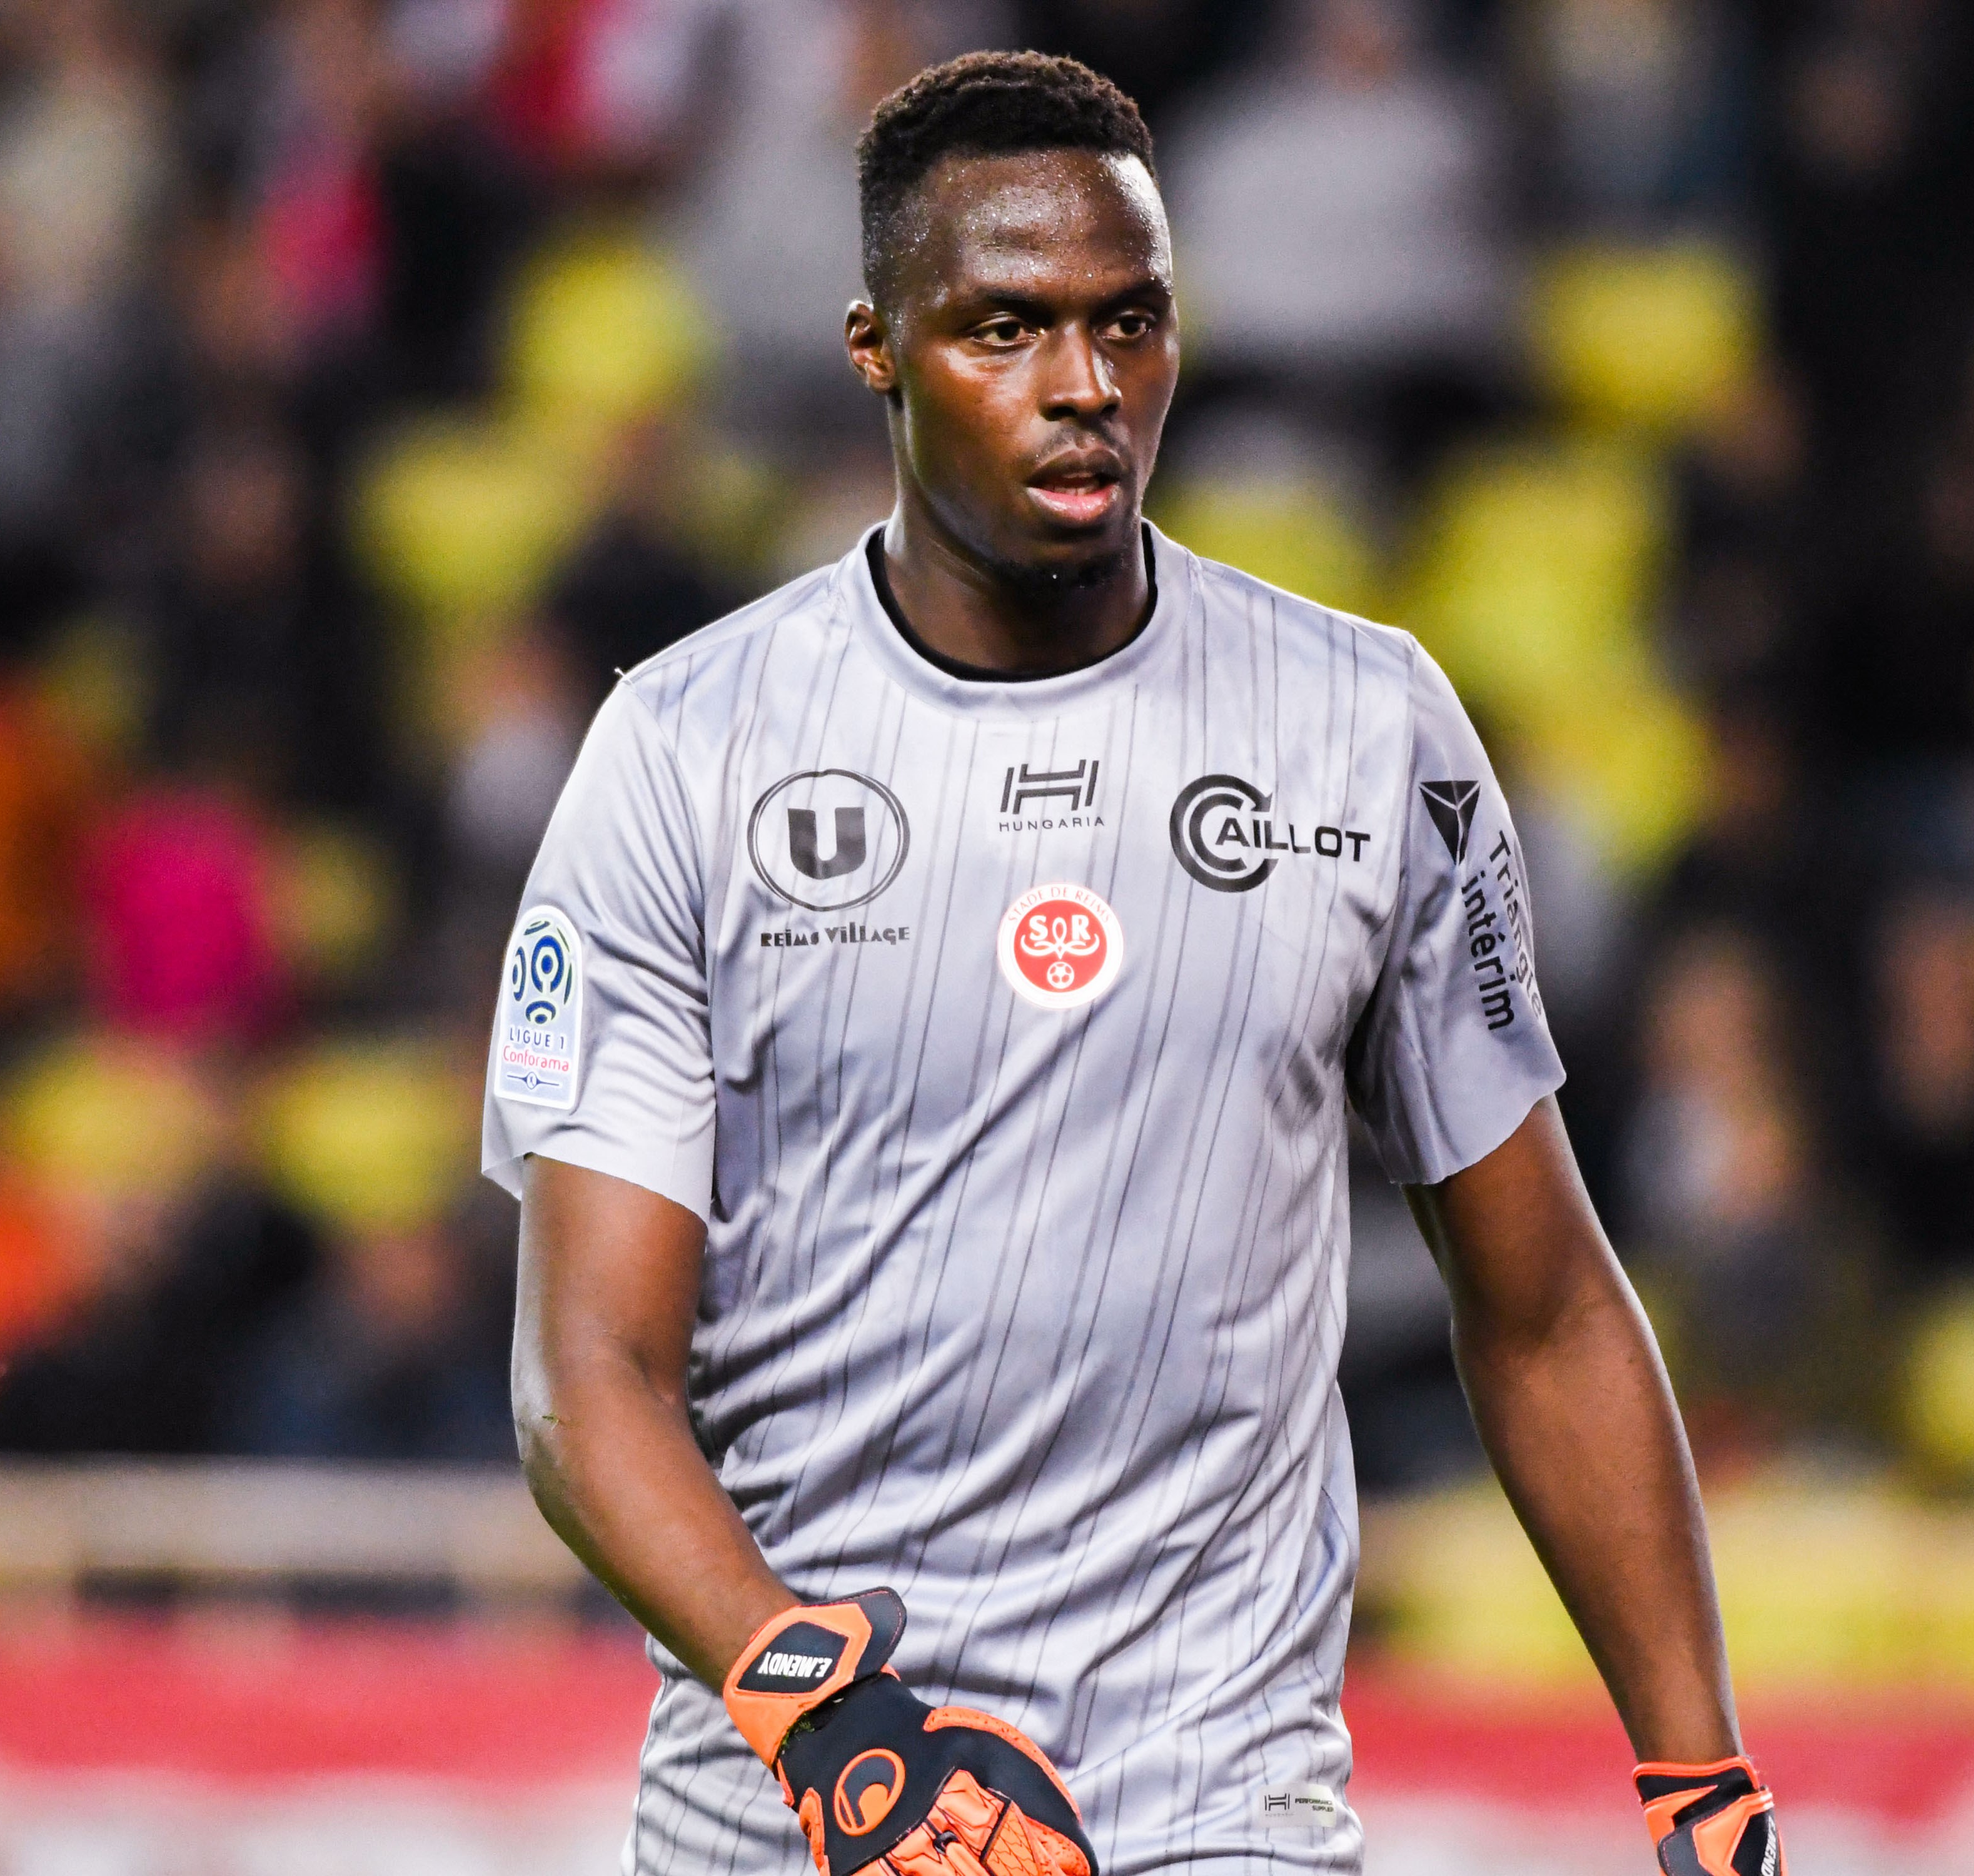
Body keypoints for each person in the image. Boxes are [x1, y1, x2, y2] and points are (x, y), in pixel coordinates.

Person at [486, 52, 1778, 1876]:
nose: (1083, 388)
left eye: (1130, 324)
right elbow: (585, 1378)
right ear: (874, 348)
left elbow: (1547, 1302)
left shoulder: (1362, 728)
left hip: (1214, 1807)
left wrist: (1696, 1772)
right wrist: (831, 1727)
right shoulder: (687, 751)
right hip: (798, 1815)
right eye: (1003, 330)